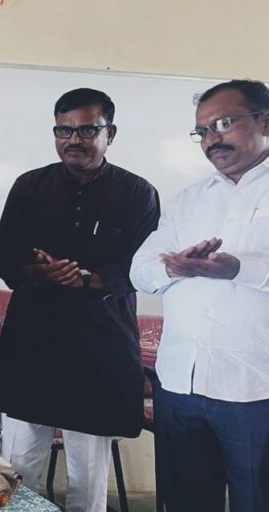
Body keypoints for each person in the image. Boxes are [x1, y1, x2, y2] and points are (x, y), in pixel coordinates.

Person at [0, 88, 159, 512]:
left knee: (88, 479)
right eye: (63, 130)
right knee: (17, 470)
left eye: (86, 130)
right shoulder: (30, 186)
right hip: (32, 344)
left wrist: (89, 279)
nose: (73, 140)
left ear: (110, 133)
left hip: (98, 348)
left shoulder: (138, 192)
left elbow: (143, 265)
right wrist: (36, 272)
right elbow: (2, 254)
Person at [131, 79, 269, 512]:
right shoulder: (188, 200)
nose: (212, 139)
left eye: (223, 124)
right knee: (187, 503)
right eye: (203, 131)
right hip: (179, 383)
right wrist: (175, 266)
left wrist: (238, 268)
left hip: (256, 388)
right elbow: (140, 271)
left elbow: (241, 268)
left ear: (265, 121)